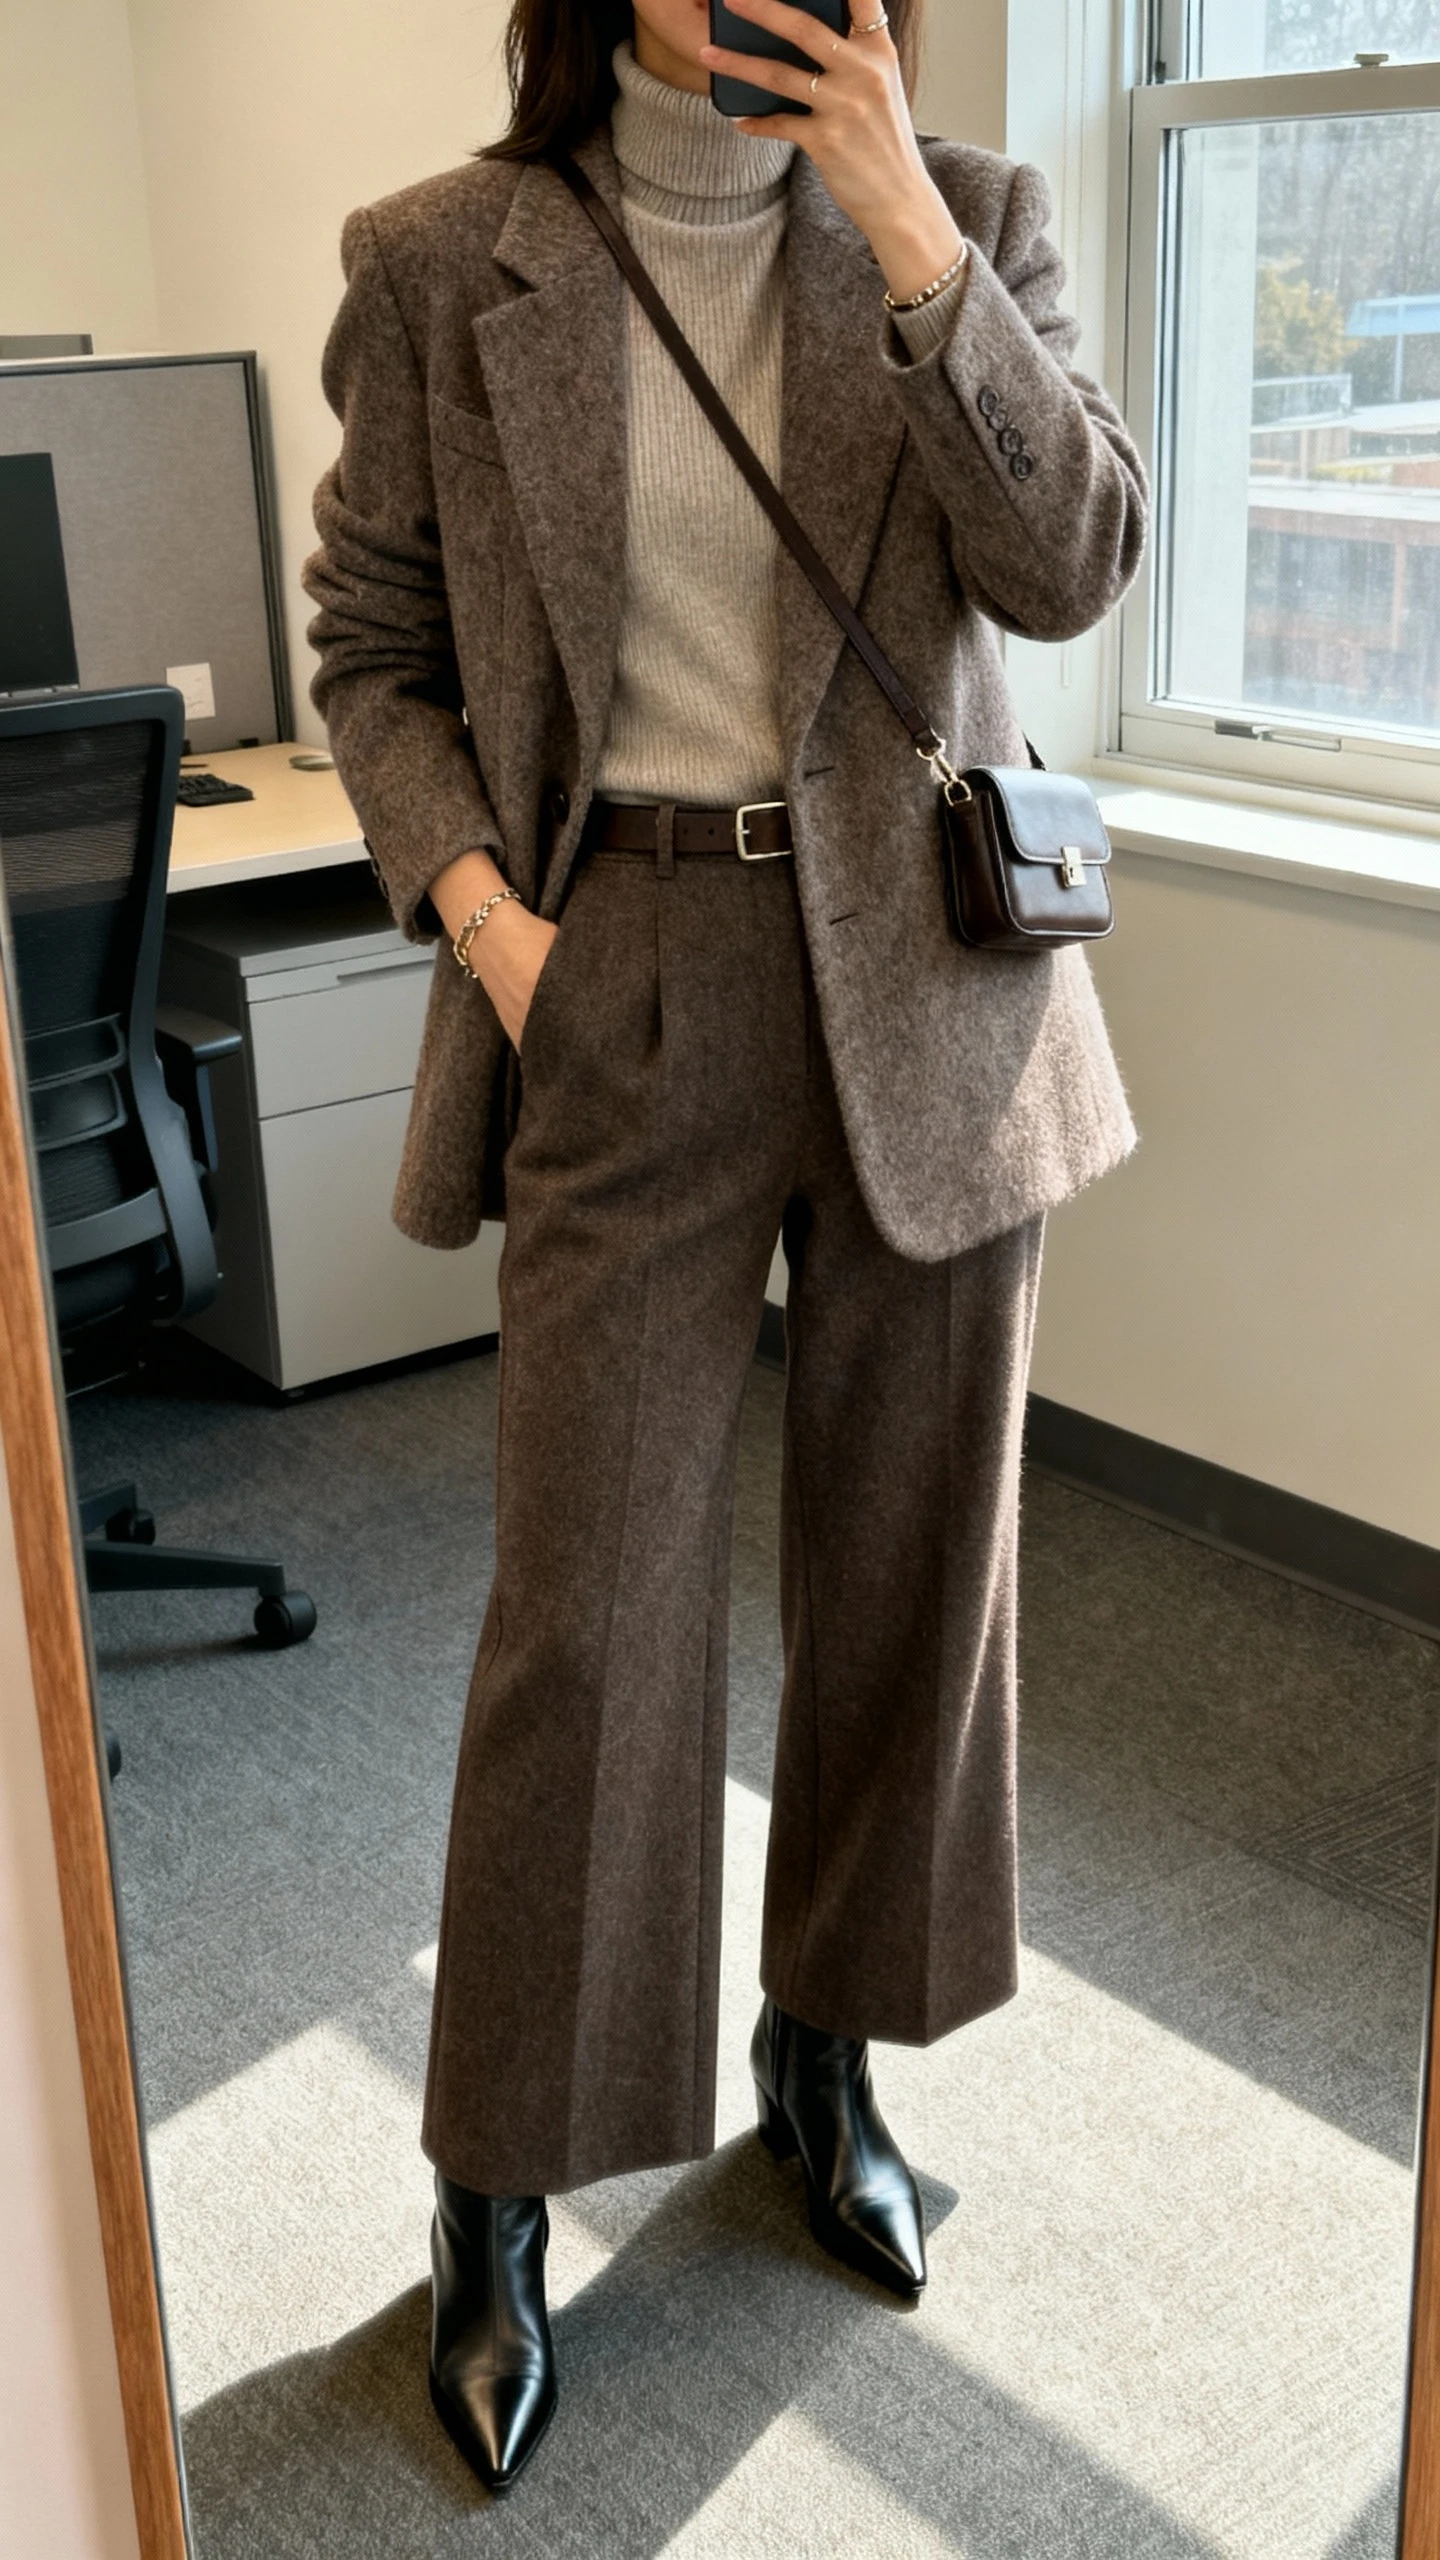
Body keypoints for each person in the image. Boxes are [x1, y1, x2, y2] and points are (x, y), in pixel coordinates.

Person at [305, 0, 1147, 2495]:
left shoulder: (967, 217)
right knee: (584, 1609)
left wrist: (898, 223)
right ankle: (499, 2175)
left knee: (913, 1569)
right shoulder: (447, 258)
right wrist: (498, 931)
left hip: (932, 979)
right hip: (624, 970)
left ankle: (828, 2049)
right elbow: (374, 652)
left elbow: (1069, 564)